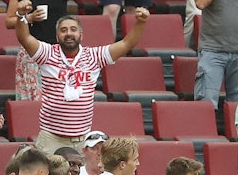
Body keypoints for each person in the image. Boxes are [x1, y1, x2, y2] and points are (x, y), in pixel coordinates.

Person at [15, 9, 149, 154]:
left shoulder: (94, 56)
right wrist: (21, 16)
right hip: (51, 138)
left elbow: (127, 43)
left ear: (81, 35)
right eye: (63, 30)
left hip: (83, 140)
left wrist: (141, 22)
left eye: (73, 29)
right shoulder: (47, 54)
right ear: (57, 36)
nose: (69, 33)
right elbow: (25, 38)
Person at [4, 0, 87, 100]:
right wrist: (29, 18)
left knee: (58, 98)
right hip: (33, 52)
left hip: (58, 53)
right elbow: (9, 21)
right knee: (33, 100)